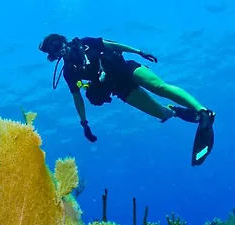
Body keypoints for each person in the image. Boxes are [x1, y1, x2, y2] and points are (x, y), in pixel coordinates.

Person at [38, 34, 215, 166]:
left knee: (159, 87)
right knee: (161, 114)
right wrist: (84, 123)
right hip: (119, 88)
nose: (59, 50)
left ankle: (203, 112)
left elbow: (112, 44)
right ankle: (175, 111)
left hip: (127, 69)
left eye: (57, 45)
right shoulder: (69, 72)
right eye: (53, 51)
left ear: (62, 40)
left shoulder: (85, 42)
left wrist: (139, 52)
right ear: (53, 56)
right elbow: (77, 98)